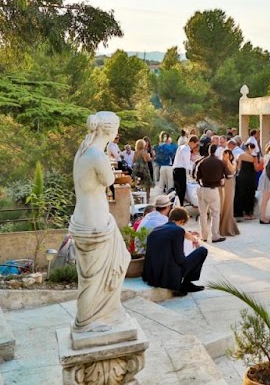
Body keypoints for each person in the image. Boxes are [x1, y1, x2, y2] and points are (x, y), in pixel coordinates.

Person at [70, 111, 129, 332]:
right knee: (94, 280)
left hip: (88, 218)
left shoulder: (84, 151)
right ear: (110, 131)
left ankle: (108, 311)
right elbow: (109, 179)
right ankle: (87, 321)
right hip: (94, 224)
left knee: (105, 270)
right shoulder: (96, 156)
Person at [142, 207, 207, 297]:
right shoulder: (177, 231)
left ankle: (186, 283)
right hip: (168, 277)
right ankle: (186, 284)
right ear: (181, 221)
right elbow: (180, 259)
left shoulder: (155, 230)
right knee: (202, 251)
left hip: (153, 277)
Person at [194, 144, 227, 243]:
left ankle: (204, 236)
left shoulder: (202, 162)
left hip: (202, 188)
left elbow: (196, 176)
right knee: (215, 213)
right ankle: (215, 236)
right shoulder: (220, 163)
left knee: (203, 214)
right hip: (213, 189)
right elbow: (226, 175)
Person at [233, 142, 258, 221]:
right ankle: (248, 213)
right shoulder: (254, 157)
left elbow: (238, 167)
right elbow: (256, 168)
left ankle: (239, 212)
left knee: (240, 194)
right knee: (249, 194)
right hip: (250, 177)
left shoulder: (240, 155)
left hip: (241, 177)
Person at [219, 148, 240, 236]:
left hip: (229, 183)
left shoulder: (233, 162)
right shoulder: (220, 163)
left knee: (228, 204)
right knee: (221, 205)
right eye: (224, 155)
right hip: (221, 185)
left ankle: (228, 228)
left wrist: (227, 160)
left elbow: (232, 170)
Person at [173, 135, 198, 206]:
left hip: (177, 169)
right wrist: (194, 170)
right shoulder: (186, 149)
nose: (194, 146)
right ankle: (180, 206)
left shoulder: (181, 147)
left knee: (179, 189)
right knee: (181, 190)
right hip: (180, 170)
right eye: (195, 144)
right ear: (192, 142)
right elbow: (187, 163)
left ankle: (179, 205)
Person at [257, 143, 270, 224]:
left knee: (266, 197)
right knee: (265, 198)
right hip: (267, 177)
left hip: (266, 176)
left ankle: (263, 215)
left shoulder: (267, 155)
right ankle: (262, 217)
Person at [131, 139, 153, 203]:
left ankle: (139, 198)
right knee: (147, 185)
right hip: (144, 170)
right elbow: (147, 160)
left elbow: (133, 161)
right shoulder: (144, 152)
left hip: (137, 170)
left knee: (138, 184)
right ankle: (147, 198)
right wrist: (150, 156)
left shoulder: (135, 152)